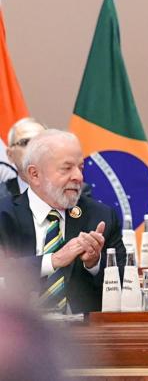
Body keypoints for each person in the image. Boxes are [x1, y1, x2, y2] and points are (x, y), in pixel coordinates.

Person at [0, 130, 125, 313]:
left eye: (80, 168)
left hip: (85, 337)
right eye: (67, 168)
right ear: (34, 175)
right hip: (17, 336)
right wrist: (53, 260)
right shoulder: (4, 215)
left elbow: (126, 284)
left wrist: (95, 263)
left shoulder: (100, 217)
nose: (79, 177)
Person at [0, 118, 47, 199]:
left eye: (40, 142)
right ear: (10, 155)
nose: (33, 148)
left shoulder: (70, 191)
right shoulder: (2, 196)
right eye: (25, 142)